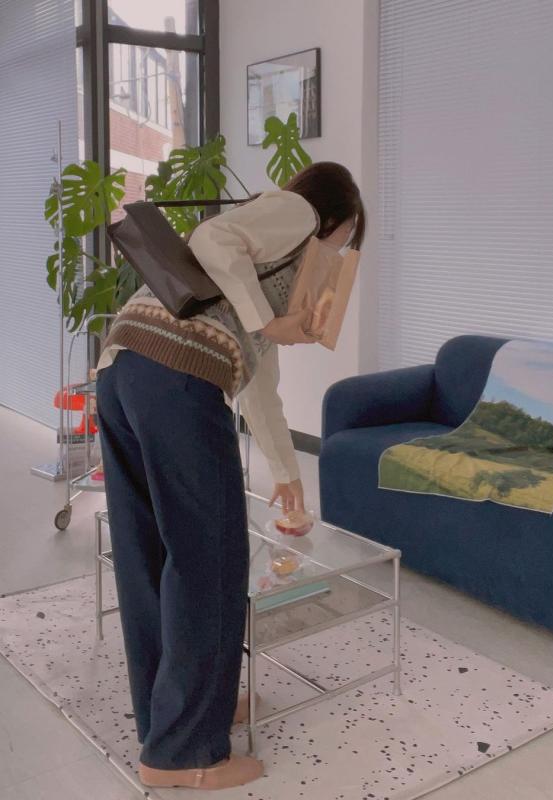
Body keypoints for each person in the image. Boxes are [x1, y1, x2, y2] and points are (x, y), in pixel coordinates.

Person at [94, 161, 365, 790]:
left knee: (151, 555)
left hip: (126, 369)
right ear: (333, 218)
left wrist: (286, 472)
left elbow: (259, 383)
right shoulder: (295, 214)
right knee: (209, 560)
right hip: (177, 377)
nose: (337, 255)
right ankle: (184, 752)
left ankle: (171, 718)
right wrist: (269, 322)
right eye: (345, 239)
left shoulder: (260, 279)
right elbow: (214, 237)